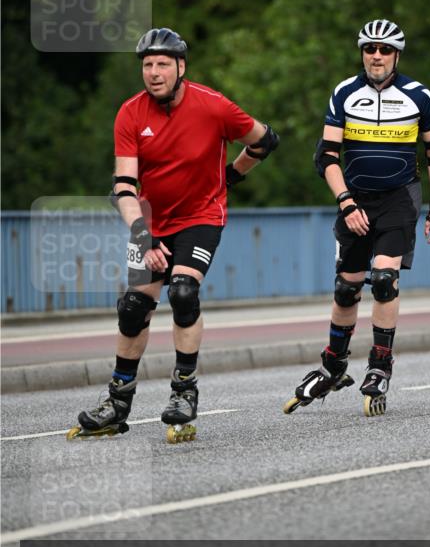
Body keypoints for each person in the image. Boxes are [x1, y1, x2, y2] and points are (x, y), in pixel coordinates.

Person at [67, 27, 278, 442]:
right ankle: (118, 401)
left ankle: (184, 391)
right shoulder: (130, 113)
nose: (153, 72)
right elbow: (124, 187)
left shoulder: (213, 106)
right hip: (150, 221)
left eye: (162, 64)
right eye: (147, 64)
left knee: (183, 292)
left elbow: (265, 140)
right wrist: (143, 236)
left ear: (181, 67)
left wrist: (232, 175)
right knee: (133, 307)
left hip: (201, 216)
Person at [284, 18, 430, 417]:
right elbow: (326, 156)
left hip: (399, 199)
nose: (377, 56)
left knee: (384, 279)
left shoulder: (418, 96)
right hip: (355, 199)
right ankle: (333, 365)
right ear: (362, 53)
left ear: (397, 55)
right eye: (370, 49)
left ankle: (379, 366)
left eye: (385, 50)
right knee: (346, 288)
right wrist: (345, 201)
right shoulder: (344, 93)